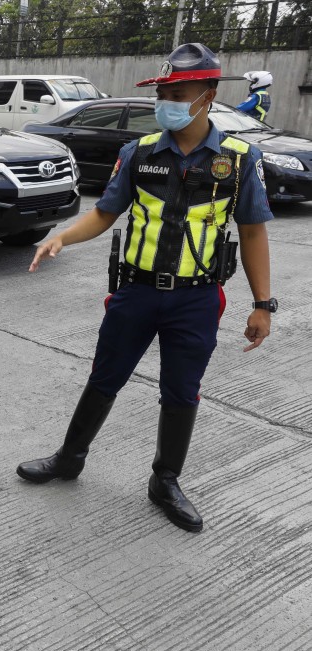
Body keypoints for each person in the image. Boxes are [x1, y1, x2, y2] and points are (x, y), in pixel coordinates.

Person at [14, 43, 274, 533]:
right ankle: (70, 458)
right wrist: (61, 237)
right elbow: (104, 213)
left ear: (209, 94)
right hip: (135, 293)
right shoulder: (138, 153)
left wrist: (263, 304)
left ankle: (165, 480)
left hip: (196, 299)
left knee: (182, 391)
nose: (168, 100)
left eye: (179, 90)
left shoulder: (239, 160)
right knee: (104, 376)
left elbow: (254, 231)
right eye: (164, 90)